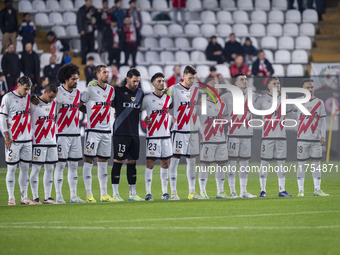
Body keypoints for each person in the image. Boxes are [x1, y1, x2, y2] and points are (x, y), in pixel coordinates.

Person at [80, 65, 115, 203]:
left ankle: (104, 194)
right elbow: (79, 104)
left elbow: (112, 104)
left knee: (104, 162)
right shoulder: (90, 90)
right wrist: (89, 112)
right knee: (89, 160)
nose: (107, 74)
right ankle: (89, 195)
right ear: (97, 75)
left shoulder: (112, 90)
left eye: (108, 72)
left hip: (106, 131)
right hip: (93, 131)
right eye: (104, 72)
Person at [220, 73, 259, 198]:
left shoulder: (252, 95)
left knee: (244, 163)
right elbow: (219, 111)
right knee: (232, 163)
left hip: (247, 133)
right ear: (235, 83)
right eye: (242, 79)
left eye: (246, 79)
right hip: (233, 133)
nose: (245, 81)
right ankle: (232, 191)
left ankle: (243, 191)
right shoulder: (227, 96)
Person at [0, 76, 37, 205]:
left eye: (29, 89)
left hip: (27, 140)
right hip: (13, 140)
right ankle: (11, 198)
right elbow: (2, 118)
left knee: (25, 169)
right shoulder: (8, 98)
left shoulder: (29, 97)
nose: (27, 92)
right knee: (11, 169)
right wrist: (6, 137)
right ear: (19, 85)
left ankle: (24, 197)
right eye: (25, 89)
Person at [254, 77, 293, 197]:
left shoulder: (284, 99)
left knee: (281, 164)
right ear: (269, 86)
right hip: (267, 136)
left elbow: (289, 112)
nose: (277, 85)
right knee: (264, 163)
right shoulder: (262, 99)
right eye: (274, 83)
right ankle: (263, 190)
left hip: (281, 135)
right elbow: (253, 111)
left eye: (278, 83)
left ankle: (282, 190)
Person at [169, 65, 202, 200]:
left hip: (192, 131)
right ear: (183, 76)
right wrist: (168, 116)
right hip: (179, 130)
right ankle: (173, 192)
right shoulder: (174, 89)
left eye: (193, 78)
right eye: (190, 78)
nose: (192, 81)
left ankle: (192, 192)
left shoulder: (195, 90)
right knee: (175, 160)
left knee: (192, 161)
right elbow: (164, 105)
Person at [53, 63, 85, 204]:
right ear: (65, 79)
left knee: (73, 166)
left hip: (76, 134)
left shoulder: (78, 94)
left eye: (77, 79)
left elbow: (83, 108)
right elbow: (51, 114)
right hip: (61, 135)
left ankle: (73, 196)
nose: (75, 81)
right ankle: (59, 196)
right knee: (60, 165)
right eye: (73, 79)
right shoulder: (57, 93)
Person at [111, 68, 144, 201]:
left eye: (138, 81)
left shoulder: (140, 93)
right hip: (121, 132)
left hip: (134, 133)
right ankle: (115, 194)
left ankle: (132, 194)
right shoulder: (117, 91)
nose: (136, 84)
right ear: (128, 79)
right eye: (134, 81)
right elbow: (109, 102)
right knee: (118, 161)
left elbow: (142, 108)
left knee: (132, 162)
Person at [142, 73, 172, 201]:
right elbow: (137, 112)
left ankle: (165, 192)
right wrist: (144, 119)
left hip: (166, 136)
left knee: (165, 163)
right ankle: (148, 193)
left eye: (163, 81)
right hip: (153, 136)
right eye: (159, 81)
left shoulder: (169, 98)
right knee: (150, 163)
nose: (162, 83)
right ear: (153, 83)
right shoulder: (147, 99)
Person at [296, 79, 329, 197]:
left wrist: (323, 135)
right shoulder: (297, 102)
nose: (310, 89)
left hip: (315, 139)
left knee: (316, 164)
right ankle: (301, 190)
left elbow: (323, 120)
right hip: (302, 139)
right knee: (301, 165)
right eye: (307, 88)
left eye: (311, 87)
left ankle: (317, 189)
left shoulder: (319, 102)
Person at [198, 80, 229, 199]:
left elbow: (226, 118)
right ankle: (202, 191)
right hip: (208, 139)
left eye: (217, 87)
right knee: (205, 164)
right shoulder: (201, 104)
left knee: (221, 164)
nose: (215, 89)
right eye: (212, 87)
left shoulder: (223, 105)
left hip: (221, 139)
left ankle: (220, 191)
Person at [29, 83, 58, 204]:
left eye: (54, 97)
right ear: (45, 92)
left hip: (51, 141)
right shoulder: (34, 103)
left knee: (50, 169)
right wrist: (31, 96)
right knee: (36, 169)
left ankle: (48, 197)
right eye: (50, 97)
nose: (52, 99)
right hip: (38, 141)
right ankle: (35, 197)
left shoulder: (54, 104)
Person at [77, 0, 97, 64]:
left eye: (91, 1)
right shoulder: (81, 10)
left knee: (91, 46)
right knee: (84, 47)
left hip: (91, 31)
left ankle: (91, 62)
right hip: (84, 31)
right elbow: (79, 20)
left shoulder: (93, 9)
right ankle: (83, 62)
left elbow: (96, 19)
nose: (90, 2)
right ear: (86, 2)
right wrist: (81, 29)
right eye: (89, 1)